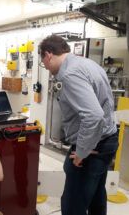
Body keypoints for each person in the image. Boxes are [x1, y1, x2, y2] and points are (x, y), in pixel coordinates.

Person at [39, 35, 118, 215]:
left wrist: (82, 152)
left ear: (48, 55)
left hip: (94, 147)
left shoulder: (71, 73)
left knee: (73, 204)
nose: (45, 67)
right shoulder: (89, 64)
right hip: (106, 140)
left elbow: (94, 116)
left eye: (43, 62)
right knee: (96, 196)